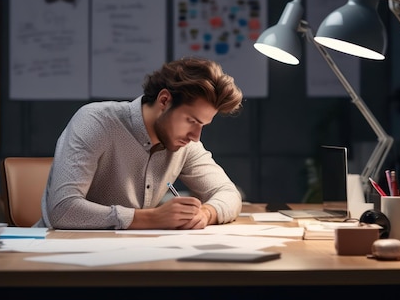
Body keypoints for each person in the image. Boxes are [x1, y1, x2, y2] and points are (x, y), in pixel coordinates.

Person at [35, 57, 244, 230]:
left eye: (203, 125)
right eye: (191, 121)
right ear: (164, 101)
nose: (196, 136)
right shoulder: (96, 122)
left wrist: (206, 213)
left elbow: (228, 193)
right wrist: (152, 218)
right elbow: (63, 210)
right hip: (58, 257)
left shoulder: (185, 144)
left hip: (131, 257)